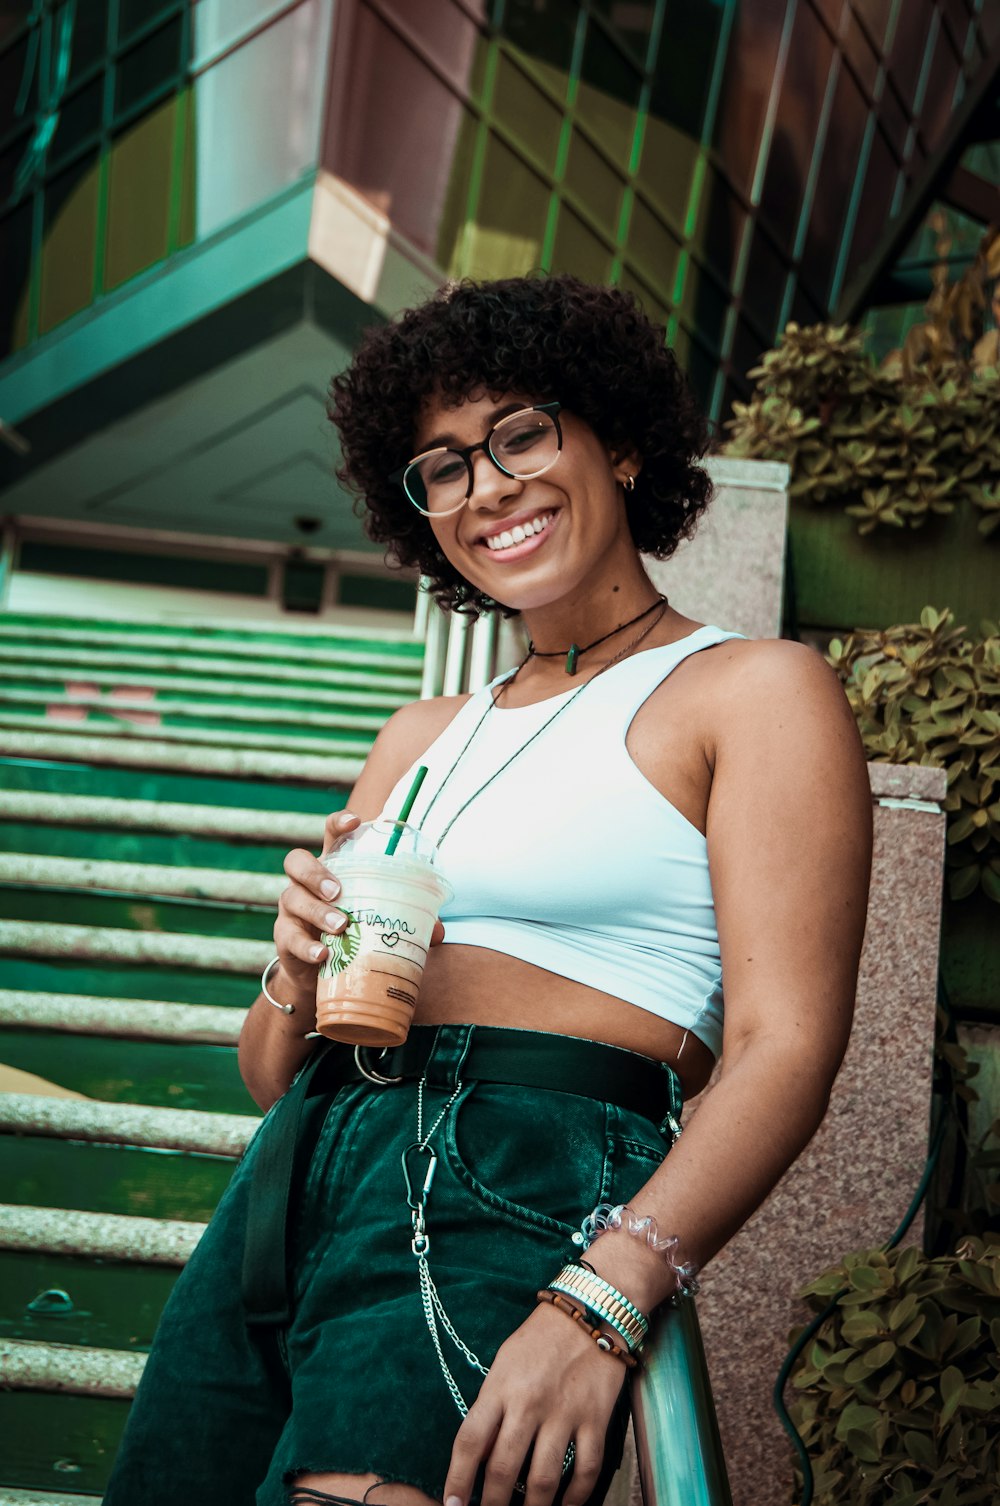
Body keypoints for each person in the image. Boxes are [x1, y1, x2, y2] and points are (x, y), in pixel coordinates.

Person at [103, 275, 872, 1506]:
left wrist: (601, 1301)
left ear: (619, 442)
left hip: (518, 1162)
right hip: (302, 1171)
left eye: (519, 433)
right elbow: (268, 1073)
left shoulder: (753, 691)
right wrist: (292, 964)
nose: (488, 489)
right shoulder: (416, 736)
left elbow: (789, 1048)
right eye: (443, 467)